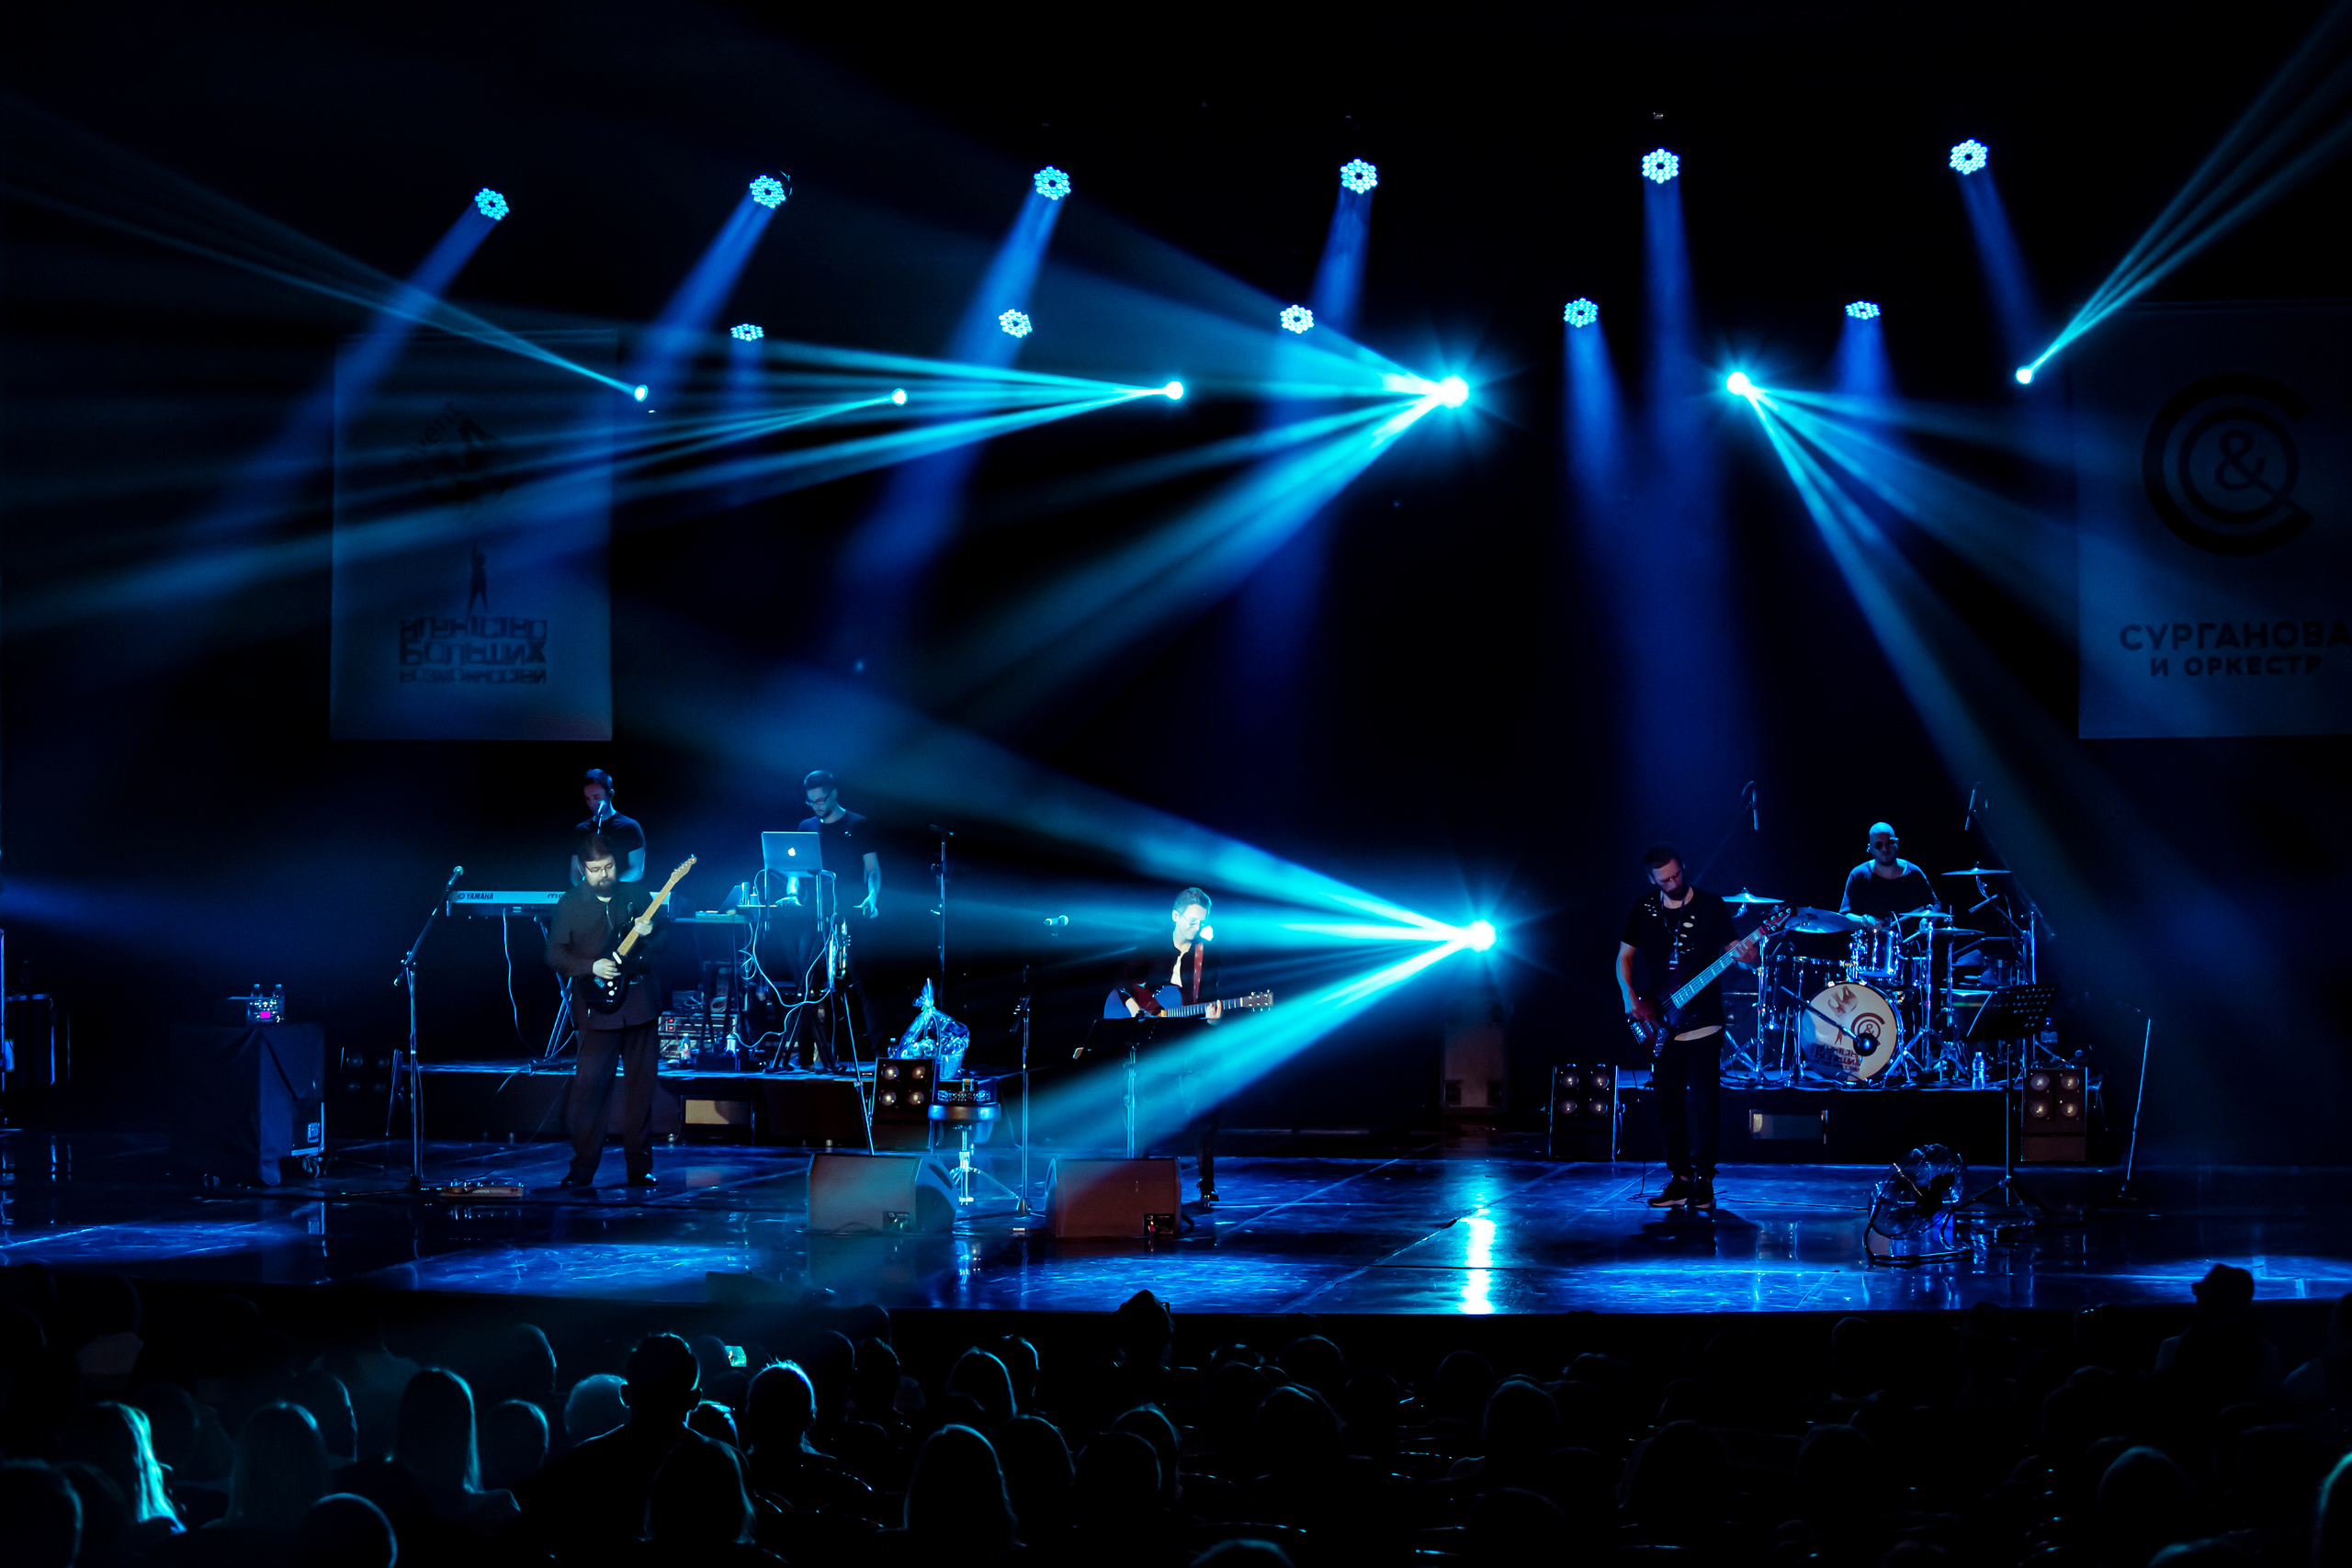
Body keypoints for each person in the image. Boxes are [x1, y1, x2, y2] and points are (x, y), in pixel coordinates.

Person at [1616, 844, 1759, 1211]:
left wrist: (1749, 955)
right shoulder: (1643, 910)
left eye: (1677, 875)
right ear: (1653, 880)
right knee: (1667, 1104)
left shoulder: (1711, 905)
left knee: (1705, 1103)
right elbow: (1625, 958)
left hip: (1704, 1023)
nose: (1674, 882)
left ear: (1684, 867)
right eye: (1665, 880)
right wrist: (1630, 996)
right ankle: (1679, 1178)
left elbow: (1738, 953)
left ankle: (1705, 1180)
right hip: (1661, 1020)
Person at [546, 835, 671, 1188]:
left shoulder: (636, 895)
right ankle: (582, 1168)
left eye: (609, 867)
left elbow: (665, 941)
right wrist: (591, 966)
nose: (603, 875)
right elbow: (554, 954)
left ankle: (639, 1167)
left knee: (641, 1089)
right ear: (582, 870)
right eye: (595, 870)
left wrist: (648, 934)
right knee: (589, 1091)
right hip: (595, 1009)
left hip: (640, 1003)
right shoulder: (571, 903)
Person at [1117, 888, 1228, 1203]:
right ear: (1175, 916)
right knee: (1146, 1114)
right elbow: (1121, 980)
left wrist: (1214, 1019)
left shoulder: (1210, 953)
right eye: (1191, 922)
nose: (1196, 928)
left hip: (1194, 1042)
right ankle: (1138, 1177)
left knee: (1204, 1112)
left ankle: (1206, 1186)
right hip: (1155, 1042)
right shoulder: (1151, 946)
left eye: (1201, 923)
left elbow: (1212, 999)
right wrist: (1130, 1002)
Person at [797, 770, 880, 919]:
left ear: (833, 794)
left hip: (851, 908)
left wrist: (872, 896)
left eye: (820, 801)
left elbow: (872, 869)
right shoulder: (806, 827)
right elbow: (795, 869)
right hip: (812, 910)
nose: (816, 806)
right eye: (811, 802)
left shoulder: (858, 824)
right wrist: (791, 894)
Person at [1838, 822, 1939, 927]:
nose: (1885, 849)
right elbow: (1844, 914)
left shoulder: (1914, 873)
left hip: (1910, 941)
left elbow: (1935, 903)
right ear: (1870, 848)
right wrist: (1864, 920)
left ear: (1897, 843)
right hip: (1871, 941)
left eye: (1890, 842)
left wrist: (1929, 920)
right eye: (1878, 845)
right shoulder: (1858, 875)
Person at [571, 768, 647, 886]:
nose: (591, 803)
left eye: (596, 797)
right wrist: (586, 891)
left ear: (610, 794)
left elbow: (637, 870)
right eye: (588, 798)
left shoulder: (630, 827)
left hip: (621, 898)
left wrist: (610, 887)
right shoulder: (581, 830)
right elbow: (575, 871)